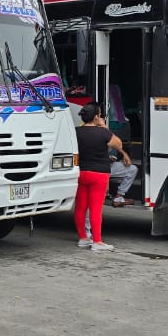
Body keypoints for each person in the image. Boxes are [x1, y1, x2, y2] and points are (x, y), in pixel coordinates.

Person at [74, 103, 123, 252]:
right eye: (100, 115)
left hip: (81, 173)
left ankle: (83, 238)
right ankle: (97, 241)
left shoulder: (76, 131)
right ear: (96, 117)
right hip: (99, 174)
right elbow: (118, 144)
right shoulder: (103, 133)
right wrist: (104, 127)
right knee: (95, 209)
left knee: (81, 206)